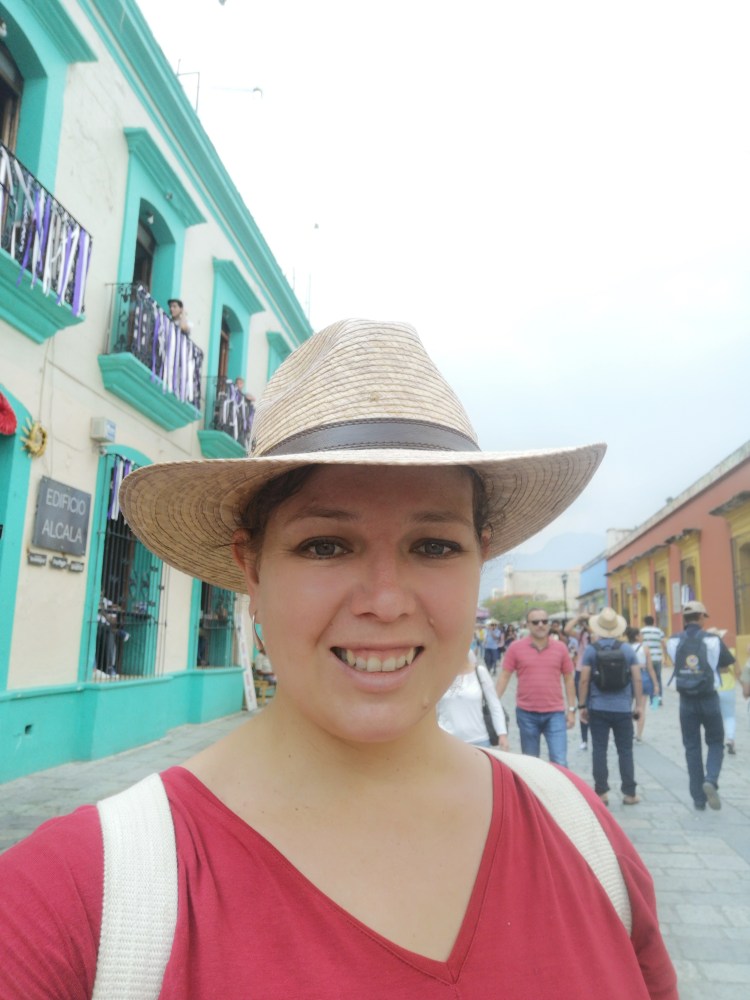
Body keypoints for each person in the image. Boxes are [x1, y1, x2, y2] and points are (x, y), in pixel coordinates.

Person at [0, 319, 677, 998]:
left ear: (481, 560)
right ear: (251, 570)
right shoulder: (75, 901)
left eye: (434, 546)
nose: (385, 601)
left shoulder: (583, 835)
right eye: (325, 546)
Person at [666, 600, 735, 811]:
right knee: (715, 742)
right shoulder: (712, 640)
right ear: (701, 617)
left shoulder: (673, 641)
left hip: (686, 700)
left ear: (685, 619)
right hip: (709, 698)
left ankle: (698, 798)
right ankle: (711, 779)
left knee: (692, 747)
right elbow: (726, 663)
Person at [495, 608, 577, 767]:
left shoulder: (560, 648)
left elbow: (568, 679)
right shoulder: (515, 648)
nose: (541, 625)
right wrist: (493, 702)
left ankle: (558, 785)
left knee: (560, 762)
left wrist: (572, 710)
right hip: (527, 714)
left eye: (544, 621)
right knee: (531, 764)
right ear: (528, 625)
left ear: (549, 624)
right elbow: (505, 676)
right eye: (535, 622)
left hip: (555, 713)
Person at [578, 609, 642, 806]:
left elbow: (584, 680)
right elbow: (637, 679)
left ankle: (601, 793)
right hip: (623, 708)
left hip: (598, 707)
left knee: (599, 749)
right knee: (625, 750)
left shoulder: (591, 650)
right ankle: (629, 793)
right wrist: (638, 705)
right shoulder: (627, 650)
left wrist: (582, 705)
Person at [438, 650, 510, 749]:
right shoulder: (439, 675)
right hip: (447, 741)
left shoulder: (480, 672)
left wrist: (502, 734)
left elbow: (494, 704)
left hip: (479, 740)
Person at [706, 627, 739, 755]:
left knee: (715, 717)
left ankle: (716, 741)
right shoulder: (731, 651)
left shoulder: (706, 653)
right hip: (729, 688)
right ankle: (730, 739)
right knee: (729, 716)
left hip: (713, 688)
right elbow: (738, 671)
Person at [626, 626, 659, 743]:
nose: (642, 636)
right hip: (643, 677)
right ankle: (639, 735)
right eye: (640, 634)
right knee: (640, 707)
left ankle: (629, 732)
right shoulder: (645, 649)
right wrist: (655, 684)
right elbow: (650, 668)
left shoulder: (625, 648)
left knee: (627, 707)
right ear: (636, 637)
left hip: (628, 677)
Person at [565, 612, 592, 750]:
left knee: (595, 705)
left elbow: (595, 635)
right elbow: (567, 629)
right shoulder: (581, 634)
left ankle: (595, 734)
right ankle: (584, 738)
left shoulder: (597, 634)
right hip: (580, 670)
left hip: (595, 671)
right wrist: (579, 618)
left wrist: (589, 623)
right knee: (583, 705)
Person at [640, 615, 668, 701]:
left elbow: (640, 644)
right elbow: (664, 645)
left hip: (646, 659)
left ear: (644, 622)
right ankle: (658, 698)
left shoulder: (641, 631)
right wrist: (665, 658)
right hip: (657, 658)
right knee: (658, 678)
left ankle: (652, 699)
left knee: (649, 678)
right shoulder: (659, 631)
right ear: (653, 622)